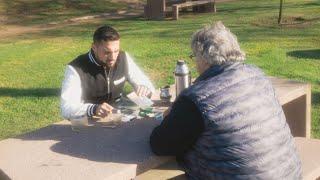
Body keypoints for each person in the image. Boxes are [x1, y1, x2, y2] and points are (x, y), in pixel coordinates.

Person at [150, 22, 302, 179]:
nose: (195, 64)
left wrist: (169, 116)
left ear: (204, 59)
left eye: (194, 57)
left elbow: (160, 144)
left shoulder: (198, 98)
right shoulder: (258, 75)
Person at [61, 25, 155, 120]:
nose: (113, 57)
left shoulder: (123, 58)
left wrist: (144, 88)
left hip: (119, 115)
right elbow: (66, 108)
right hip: (89, 120)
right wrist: (94, 109)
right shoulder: (76, 68)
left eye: (116, 51)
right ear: (94, 47)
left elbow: (146, 84)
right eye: (107, 52)